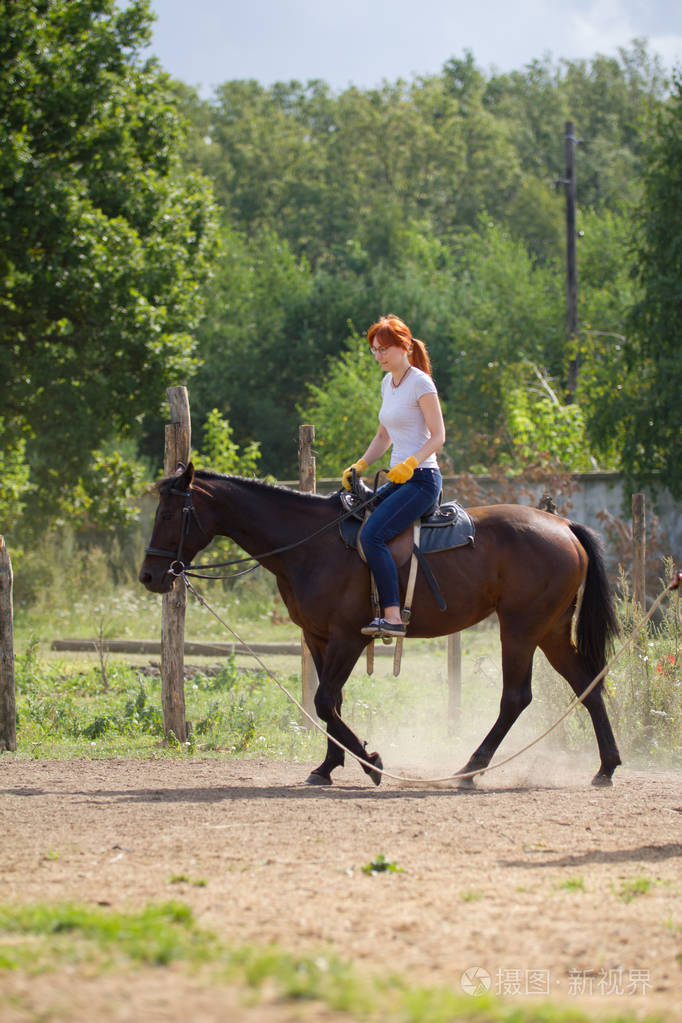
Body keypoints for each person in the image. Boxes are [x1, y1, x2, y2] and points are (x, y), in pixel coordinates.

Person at [342, 315, 446, 638]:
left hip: (423, 479)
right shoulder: (387, 383)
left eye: (384, 349)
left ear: (405, 346)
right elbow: (383, 436)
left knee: (372, 536)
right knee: (353, 516)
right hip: (398, 480)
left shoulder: (421, 383)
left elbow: (439, 436)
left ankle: (393, 617)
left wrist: (412, 462)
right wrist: (360, 464)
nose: (378, 356)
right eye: (374, 350)